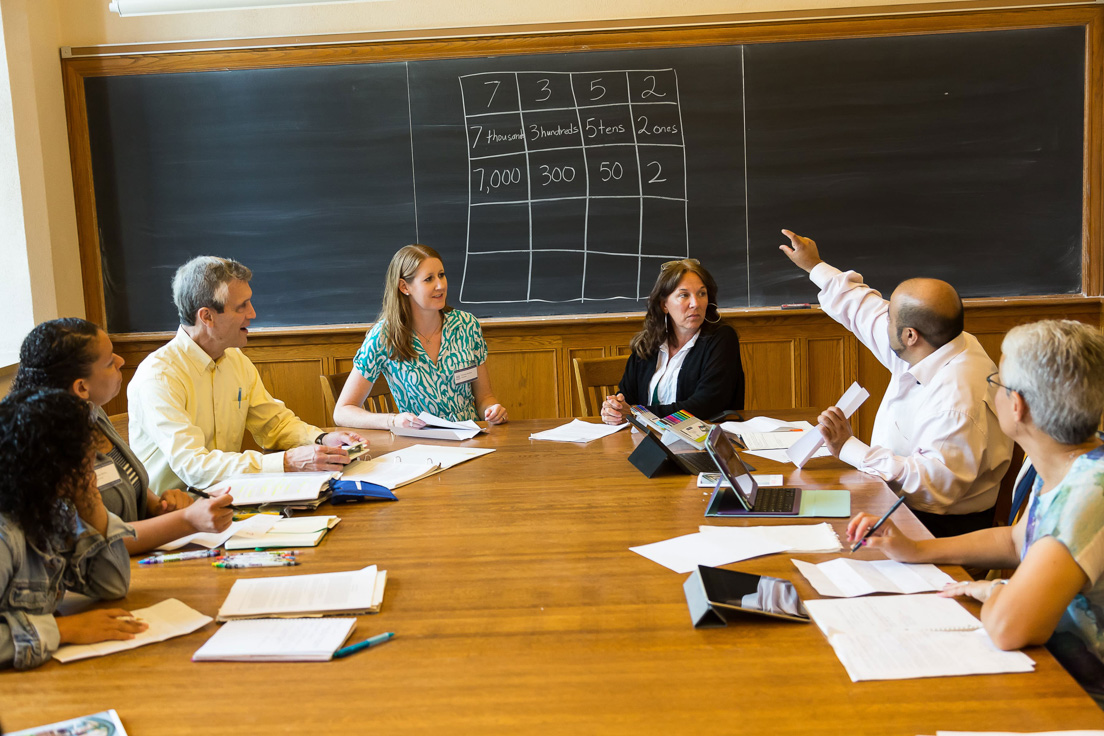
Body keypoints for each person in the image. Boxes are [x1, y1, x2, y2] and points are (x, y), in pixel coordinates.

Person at [847, 320, 1104, 706]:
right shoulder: (1064, 459)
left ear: (1017, 406)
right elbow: (1016, 540)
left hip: (1079, 699)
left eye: (997, 383)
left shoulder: (1088, 491)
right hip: (1051, 673)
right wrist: (916, 549)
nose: (992, 390)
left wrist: (991, 589)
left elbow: (1006, 628)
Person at [780, 230, 1012, 537]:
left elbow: (929, 485)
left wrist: (848, 447)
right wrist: (815, 265)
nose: (883, 318)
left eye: (890, 316)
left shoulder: (957, 401)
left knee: (815, 535)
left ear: (910, 335)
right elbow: (864, 310)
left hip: (938, 525)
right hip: (896, 497)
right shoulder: (938, 342)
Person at [128, 256, 365, 490]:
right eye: (242, 306)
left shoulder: (235, 360)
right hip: (175, 515)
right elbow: (194, 467)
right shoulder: (159, 377)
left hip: (229, 500)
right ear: (206, 316)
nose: (252, 313)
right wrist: (287, 462)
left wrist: (321, 439)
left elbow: (274, 425)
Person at [13, 319, 234, 554]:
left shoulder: (92, 414)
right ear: (81, 388)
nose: (121, 361)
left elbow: (131, 487)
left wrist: (161, 506)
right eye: (109, 362)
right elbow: (97, 542)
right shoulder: (45, 449)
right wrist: (187, 521)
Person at [0, 388, 148, 670]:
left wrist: (90, 502)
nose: (91, 464)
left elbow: (112, 585)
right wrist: (66, 630)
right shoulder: (6, 536)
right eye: (84, 457)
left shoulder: (54, 511)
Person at [334, 244, 507, 429]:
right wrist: (392, 420)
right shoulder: (385, 336)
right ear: (404, 286)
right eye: (429, 279)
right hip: (420, 446)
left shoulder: (466, 325)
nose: (440, 285)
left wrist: (492, 410)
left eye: (441, 275)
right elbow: (343, 411)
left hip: (471, 439)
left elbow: (484, 398)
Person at [600, 259, 743, 425]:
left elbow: (706, 405)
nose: (695, 303)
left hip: (702, 442)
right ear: (664, 305)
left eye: (701, 294)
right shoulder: (648, 343)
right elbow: (626, 397)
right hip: (647, 440)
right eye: (684, 295)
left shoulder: (722, 338)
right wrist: (615, 409)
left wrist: (637, 413)